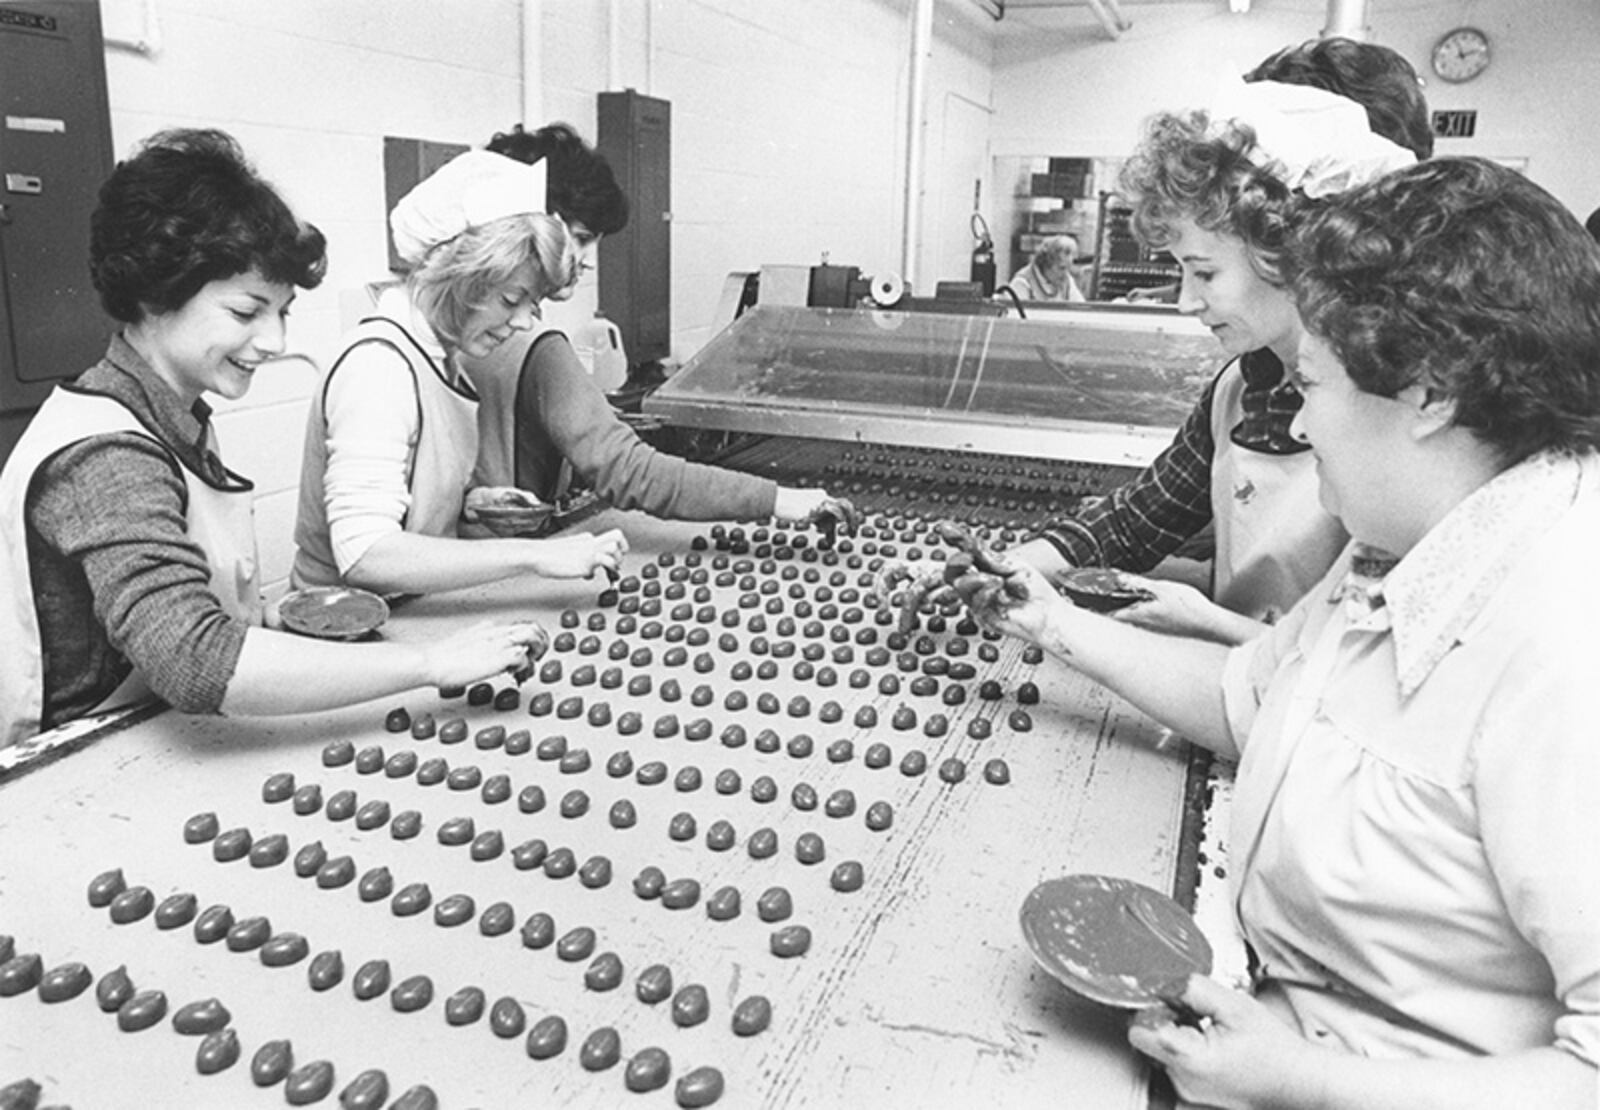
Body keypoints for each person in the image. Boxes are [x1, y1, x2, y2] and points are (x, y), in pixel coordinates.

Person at [954, 156, 1600, 1109]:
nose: (1296, 421)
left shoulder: (1562, 645)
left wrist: (1305, 1082)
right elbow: (1245, 697)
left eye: (1313, 386)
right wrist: (1047, 620)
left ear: (1430, 395)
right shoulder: (1404, 540)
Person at [0, 130, 546, 748]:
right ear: (154, 295)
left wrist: (272, 616)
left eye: (281, 313)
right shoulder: (106, 454)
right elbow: (193, 657)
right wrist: (429, 664)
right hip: (78, 761)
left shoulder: (168, 415)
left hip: (159, 732)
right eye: (245, 312)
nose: (275, 342)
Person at [1010, 37, 1431, 645]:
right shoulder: (1242, 387)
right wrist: (1018, 566)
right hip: (1232, 715)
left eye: (1204, 271)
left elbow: (1373, 669)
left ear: (1295, 245)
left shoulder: (1401, 420)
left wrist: (1202, 620)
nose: (1185, 300)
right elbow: (1137, 519)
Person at [458, 122, 846, 532]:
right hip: (494, 567)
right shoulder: (533, 346)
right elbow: (627, 469)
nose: (588, 259)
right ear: (533, 227)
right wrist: (779, 499)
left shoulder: (447, 329)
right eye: (581, 237)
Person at [291, 148, 631, 594]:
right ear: (460, 277)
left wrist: (467, 506)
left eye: (534, 304)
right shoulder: (379, 367)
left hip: (410, 610)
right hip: (341, 632)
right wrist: (536, 555)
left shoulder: (445, 362)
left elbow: (405, 506)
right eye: (512, 300)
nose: (525, 322)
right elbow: (366, 553)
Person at [1002, 234, 1086, 303]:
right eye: (1061, 268)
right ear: (1047, 263)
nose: (1065, 273)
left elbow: (1080, 308)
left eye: (1068, 267)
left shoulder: (1067, 281)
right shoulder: (1022, 283)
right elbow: (1017, 319)